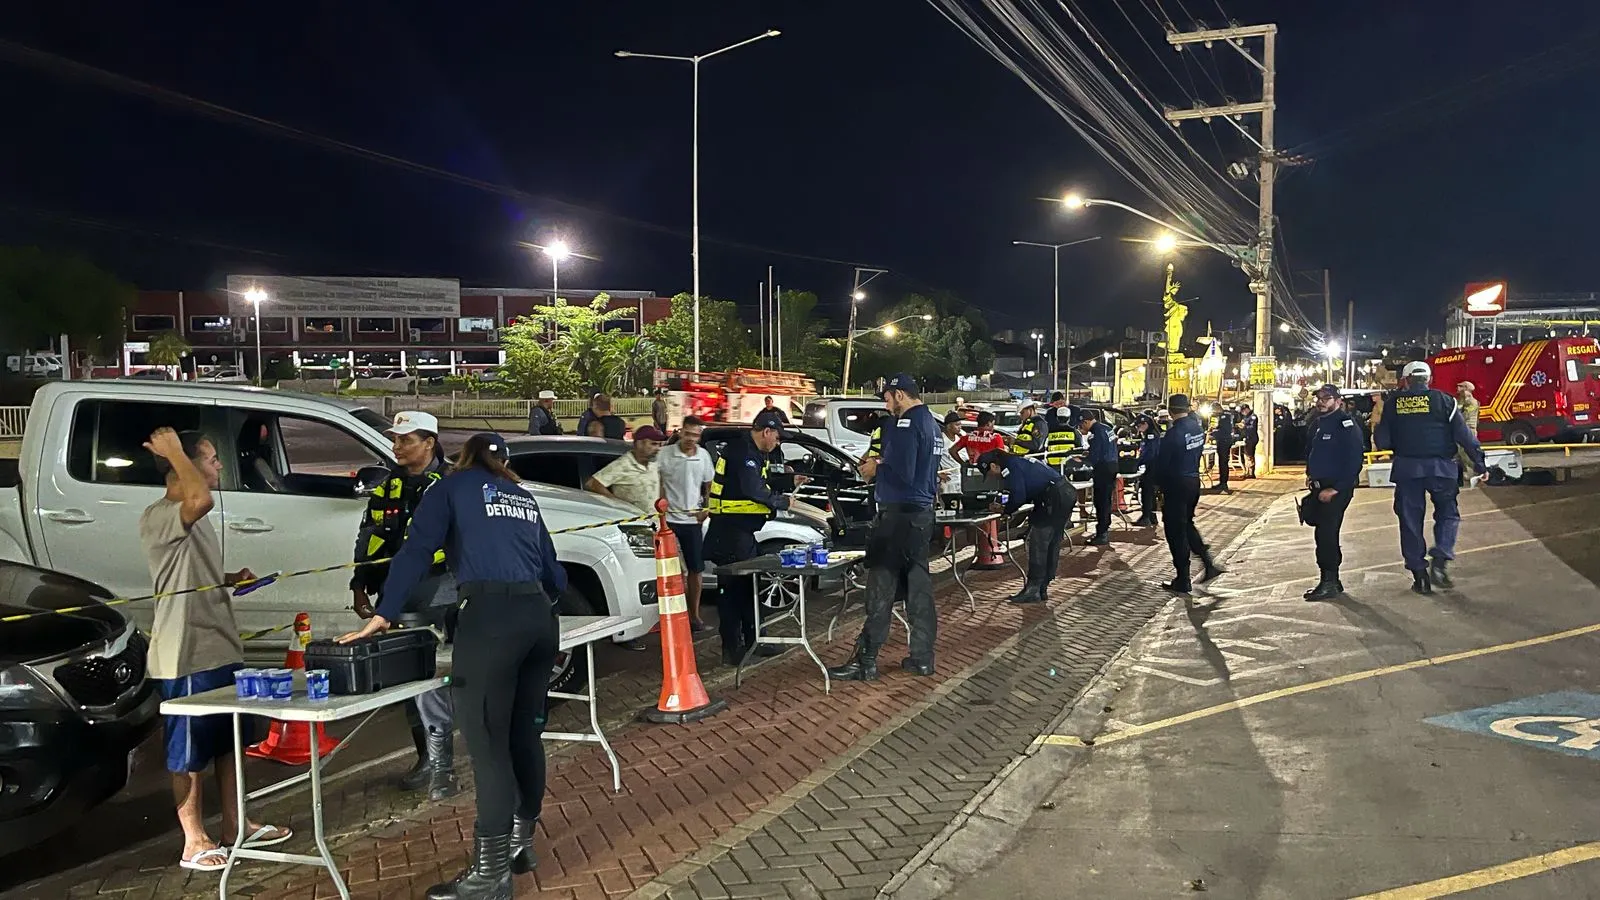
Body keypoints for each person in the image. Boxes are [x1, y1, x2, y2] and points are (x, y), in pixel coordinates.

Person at [339, 434, 565, 898]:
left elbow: (416, 551)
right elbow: (554, 572)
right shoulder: (520, 495)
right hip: (540, 620)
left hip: (491, 619)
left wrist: (384, 614)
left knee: (488, 747)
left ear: (462, 458)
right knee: (524, 735)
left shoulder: (449, 487)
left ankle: (491, 876)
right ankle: (521, 847)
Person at [140, 427, 291, 872]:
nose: (218, 465)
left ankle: (235, 824)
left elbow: (185, 566)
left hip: (219, 646)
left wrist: (226, 578)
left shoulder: (190, 517)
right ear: (183, 467)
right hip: (185, 652)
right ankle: (193, 840)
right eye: (209, 458)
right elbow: (198, 497)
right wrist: (173, 452)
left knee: (229, 745)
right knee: (187, 755)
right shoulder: (164, 512)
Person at [351, 411, 459, 800]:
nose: (396, 447)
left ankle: (448, 757)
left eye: (405, 440)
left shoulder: (452, 482)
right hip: (398, 594)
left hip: (445, 589)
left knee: (447, 676)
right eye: (395, 440)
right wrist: (360, 585)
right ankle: (430, 757)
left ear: (429, 442)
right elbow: (369, 536)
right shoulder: (388, 485)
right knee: (414, 678)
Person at [829, 373, 941, 680]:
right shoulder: (931, 424)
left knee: (880, 589)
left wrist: (875, 466)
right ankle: (922, 657)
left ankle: (865, 661)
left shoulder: (906, 424)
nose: (885, 403)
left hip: (897, 518)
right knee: (919, 589)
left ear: (900, 395)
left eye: (887, 397)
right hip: (920, 515)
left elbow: (902, 470)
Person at [1375, 361, 1486, 595]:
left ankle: (1420, 576)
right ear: (1429, 379)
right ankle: (1441, 560)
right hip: (1442, 469)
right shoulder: (1445, 401)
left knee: (1410, 521)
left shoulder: (1393, 405)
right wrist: (1479, 463)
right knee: (1448, 514)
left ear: (1405, 380)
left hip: (1407, 470)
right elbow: (1464, 435)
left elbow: (1383, 441)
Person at [705, 410, 792, 664]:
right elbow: (752, 489)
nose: (777, 443)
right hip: (729, 533)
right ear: (766, 432)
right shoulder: (742, 453)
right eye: (777, 438)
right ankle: (733, 650)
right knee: (732, 593)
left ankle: (756, 641)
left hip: (740, 532)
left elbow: (758, 483)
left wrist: (787, 480)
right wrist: (782, 502)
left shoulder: (750, 452)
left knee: (749, 588)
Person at [976, 449, 1072, 603]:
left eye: (989, 473)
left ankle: (1034, 588)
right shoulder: (1018, 461)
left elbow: (1019, 495)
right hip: (1062, 493)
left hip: (1053, 499)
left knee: (1038, 542)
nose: (993, 477)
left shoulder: (1010, 467)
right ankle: (1042, 586)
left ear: (993, 466)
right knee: (1051, 543)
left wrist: (1004, 510)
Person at [1301, 384, 1365, 601]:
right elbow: (1314, 452)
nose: (1321, 402)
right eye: (1319, 397)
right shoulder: (1318, 423)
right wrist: (1310, 474)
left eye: (1326, 398)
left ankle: (1329, 581)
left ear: (1338, 401)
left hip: (1335, 489)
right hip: (1319, 487)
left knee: (1327, 534)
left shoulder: (1345, 425)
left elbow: (1355, 460)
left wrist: (1336, 488)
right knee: (1322, 533)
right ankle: (1331, 580)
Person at [1154, 394, 1224, 593]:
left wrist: (1157, 487)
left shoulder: (1173, 434)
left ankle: (1183, 578)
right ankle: (1207, 562)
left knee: (1175, 532)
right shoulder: (1196, 428)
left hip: (1176, 484)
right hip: (1193, 481)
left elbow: (1163, 465)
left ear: (1170, 411)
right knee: (1187, 524)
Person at [659, 416, 715, 632]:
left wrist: (706, 506)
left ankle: (694, 616)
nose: (691, 439)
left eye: (695, 435)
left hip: (692, 521)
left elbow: (708, 483)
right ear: (681, 432)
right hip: (669, 520)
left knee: (696, 570)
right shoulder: (666, 454)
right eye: (688, 433)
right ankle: (672, 616)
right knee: (672, 571)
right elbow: (659, 481)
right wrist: (660, 509)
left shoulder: (703, 456)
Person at [585, 425, 667, 514]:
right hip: (633, 523)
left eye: (659, 444)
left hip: (654, 521)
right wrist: (617, 505)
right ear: (639, 444)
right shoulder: (623, 465)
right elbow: (592, 484)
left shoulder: (653, 464)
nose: (658, 448)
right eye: (653, 444)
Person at [1081, 407, 1118, 545]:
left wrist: (1083, 459)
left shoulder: (1096, 432)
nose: (1081, 429)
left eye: (1081, 425)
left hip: (1103, 468)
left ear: (1085, 422)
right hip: (1112, 465)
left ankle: (1102, 533)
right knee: (1106, 499)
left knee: (1101, 501)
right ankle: (1104, 529)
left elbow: (1095, 456)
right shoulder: (1106, 428)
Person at [1133, 414, 1161, 527]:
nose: (1137, 429)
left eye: (1138, 426)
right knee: (1150, 492)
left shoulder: (1151, 436)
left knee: (1147, 491)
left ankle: (1146, 516)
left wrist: (1138, 462)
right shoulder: (1148, 434)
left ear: (1145, 424)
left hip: (1151, 467)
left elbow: (1149, 453)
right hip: (1152, 466)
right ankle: (1151, 516)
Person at [1042, 393, 1079, 469]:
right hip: (1053, 461)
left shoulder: (1075, 410)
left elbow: (1079, 447)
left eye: (1061, 403)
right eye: (1057, 404)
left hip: (1068, 462)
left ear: (1064, 401)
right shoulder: (1050, 413)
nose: (1059, 406)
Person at [938, 410, 966, 503]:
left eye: (960, 424)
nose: (960, 427)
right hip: (947, 479)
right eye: (957, 425)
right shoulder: (941, 440)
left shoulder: (959, 440)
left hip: (958, 477)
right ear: (949, 426)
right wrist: (937, 474)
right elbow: (931, 458)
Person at [1456, 381, 1481, 482]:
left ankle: (1478, 469)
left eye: (1460, 386)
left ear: (1466, 388)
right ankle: (1469, 470)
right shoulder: (1461, 400)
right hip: (1462, 429)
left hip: (1469, 429)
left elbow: (1465, 416)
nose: (1457, 387)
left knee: (1467, 452)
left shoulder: (1472, 402)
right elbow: (1456, 411)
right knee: (1461, 452)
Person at [1211, 406, 1236, 494]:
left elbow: (1224, 431)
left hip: (1224, 442)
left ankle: (1223, 483)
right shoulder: (1225, 416)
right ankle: (1222, 482)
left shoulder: (1224, 417)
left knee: (1223, 462)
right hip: (1224, 441)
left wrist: (1213, 433)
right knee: (1222, 463)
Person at [1238, 403, 1260, 479]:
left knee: (1250, 455)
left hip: (1252, 438)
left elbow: (1252, 427)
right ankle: (1247, 472)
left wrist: (1244, 426)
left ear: (1246, 409)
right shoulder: (1246, 417)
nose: (1243, 413)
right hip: (1247, 438)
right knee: (1246, 455)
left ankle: (1251, 473)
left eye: (1243, 411)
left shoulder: (1253, 416)